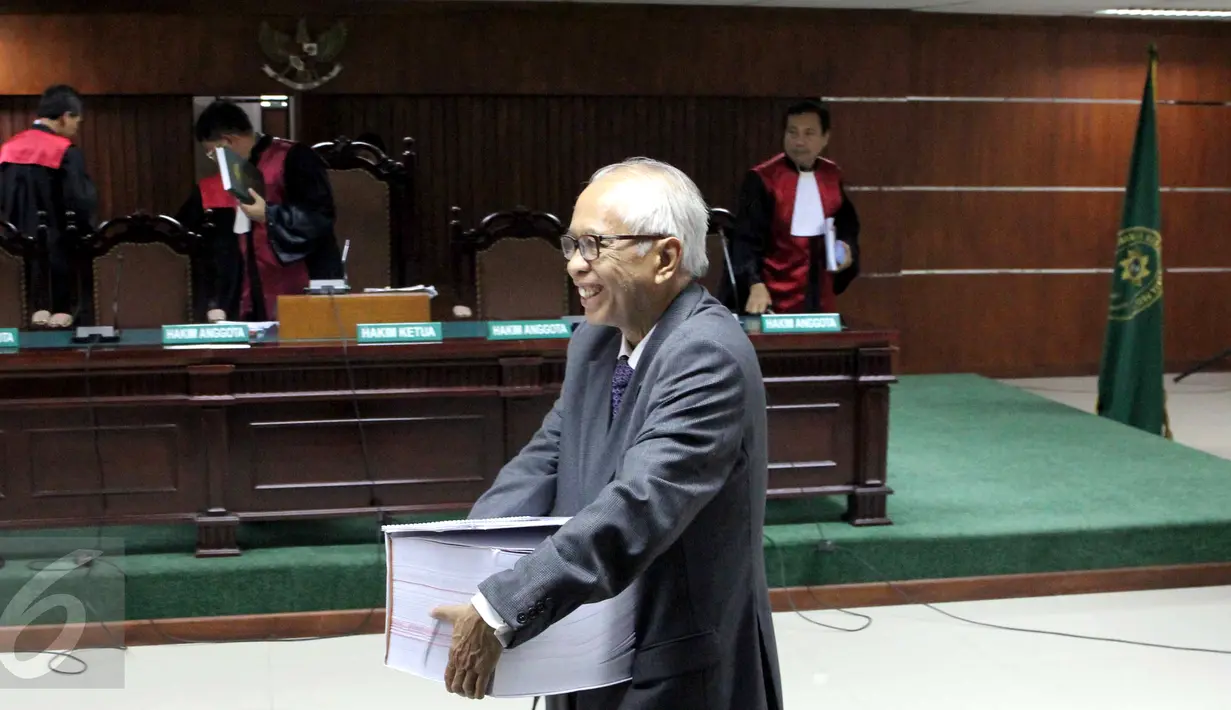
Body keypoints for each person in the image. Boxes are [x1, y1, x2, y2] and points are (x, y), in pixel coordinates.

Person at [429, 158, 783, 710]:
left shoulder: (707, 354)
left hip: (672, 672)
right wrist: (468, 557)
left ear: (664, 258)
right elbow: (546, 458)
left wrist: (504, 606)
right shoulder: (596, 342)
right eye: (570, 245)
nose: (574, 265)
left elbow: (637, 506)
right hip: (581, 647)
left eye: (594, 245)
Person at [174, 100, 341, 322]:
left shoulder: (294, 157)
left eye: (212, 153)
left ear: (227, 142)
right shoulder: (227, 178)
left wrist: (268, 215)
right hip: (249, 291)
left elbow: (320, 218)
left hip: (300, 284)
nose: (214, 162)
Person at [729, 99, 860, 315]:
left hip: (820, 297)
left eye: (809, 133)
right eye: (792, 132)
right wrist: (754, 282)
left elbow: (847, 226)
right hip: (771, 298)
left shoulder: (833, 176)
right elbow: (745, 239)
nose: (799, 141)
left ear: (825, 138)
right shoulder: (763, 179)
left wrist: (846, 249)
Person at [0, 84, 97, 328]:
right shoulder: (65, 153)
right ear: (66, 117)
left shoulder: (7, 150)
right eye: (77, 121)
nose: (76, 128)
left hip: (12, 260)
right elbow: (81, 203)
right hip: (59, 263)